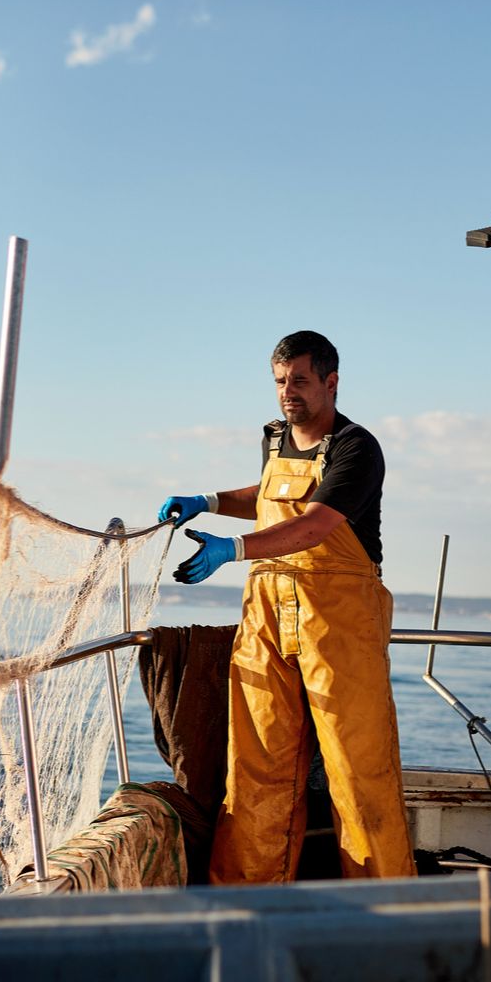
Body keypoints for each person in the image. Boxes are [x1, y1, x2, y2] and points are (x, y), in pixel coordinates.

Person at [158, 330, 414, 884]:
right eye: (279, 381)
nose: (287, 392)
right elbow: (269, 493)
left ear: (330, 381)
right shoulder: (275, 438)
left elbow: (315, 523)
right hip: (268, 615)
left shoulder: (357, 448)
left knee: (357, 767)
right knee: (256, 764)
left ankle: (388, 905)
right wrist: (208, 502)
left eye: (299, 380)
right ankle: (247, 898)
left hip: (339, 619)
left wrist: (235, 549)